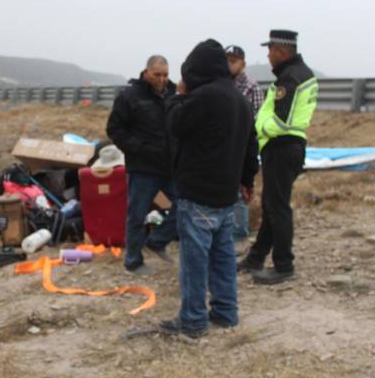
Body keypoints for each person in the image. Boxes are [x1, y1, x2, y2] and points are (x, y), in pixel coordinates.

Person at [160, 39, 258, 338]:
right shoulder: (239, 98)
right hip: (226, 195)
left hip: (198, 194)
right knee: (223, 257)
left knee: (194, 261)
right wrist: (247, 180)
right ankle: (227, 312)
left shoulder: (203, 97)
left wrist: (177, 96)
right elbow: (250, 146)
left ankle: (192, 321)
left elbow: (175, 124)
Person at [240, 29, 318, 285]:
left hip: (282, 147)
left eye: (271, 50)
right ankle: (256, 258)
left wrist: (258, 129)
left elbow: (282, 120)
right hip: (283, 147)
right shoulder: (294, 74)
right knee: (272, 205)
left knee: (278, 207)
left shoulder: (290, 78)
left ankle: (284, 264)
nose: (268, 55)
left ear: (282, 51)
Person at [106, 55, 178, 275]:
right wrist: (139, 148)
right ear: (146, 73)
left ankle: (157, 240)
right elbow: (115, 129)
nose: (162, 79)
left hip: (170, 166)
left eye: (165, 74)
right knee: (136, 214)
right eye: (157, 74)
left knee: (185, 205)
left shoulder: (174, 94)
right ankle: (133, 261)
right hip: (142, 168)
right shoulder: (129, 96)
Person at [225, 45, 264, 241]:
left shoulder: (251, 87)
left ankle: (239, 236)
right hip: (223, 147)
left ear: (243, 63)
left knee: (239, 190)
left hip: (241, 147)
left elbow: (255, 122)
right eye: (226, 59)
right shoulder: (221, 84)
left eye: (233, 60)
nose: (229, 64)